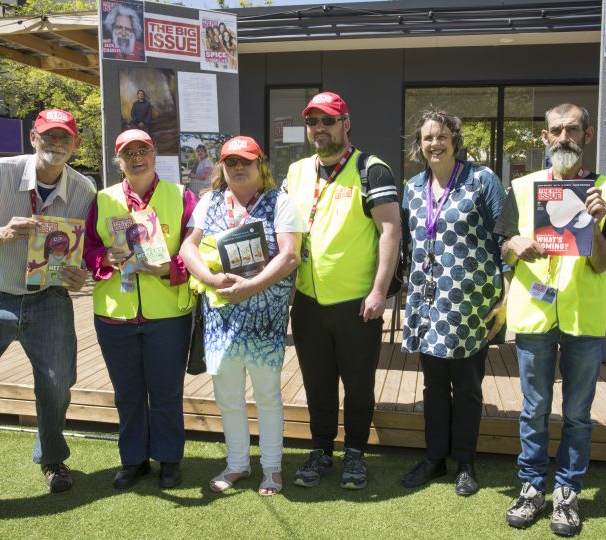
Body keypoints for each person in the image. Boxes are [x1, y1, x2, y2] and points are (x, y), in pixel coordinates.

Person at [0, 109, 96, 535]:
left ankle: (51, 457)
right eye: (49, 135)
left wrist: (83, 275)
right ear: (33, 137)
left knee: (58, 380)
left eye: (65, 137)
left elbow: (82, 255)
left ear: (76, 144)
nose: (56, 143)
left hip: (49, 299)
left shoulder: (84, 188)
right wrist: (0, 233)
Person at [494, 103, 606, 536]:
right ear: (544, 138)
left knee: (576, 412)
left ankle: (567, 493)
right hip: (534, 315)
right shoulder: (522, 187)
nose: (564, 136)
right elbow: (504, 246)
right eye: (556, 130)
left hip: (583, 319)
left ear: (588, 136)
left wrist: (597, 223)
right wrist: (516, 242)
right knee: (533, 410)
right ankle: (531, 487)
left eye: (573, 129)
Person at [283, 91, 401, 490]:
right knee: (317, 382)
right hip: (309, 301)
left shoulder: (371, 168)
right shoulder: (296, 171)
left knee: (358, 383)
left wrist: (379, 291)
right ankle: (320, 451)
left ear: (345, 123)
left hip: (357, 303)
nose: (320, 128)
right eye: (313, 121)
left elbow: (390, 231)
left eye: (328, 120)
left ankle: (355, 453)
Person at [180, 136, 304, 496]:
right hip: (221, 318)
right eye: (231, 162)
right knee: (228, 397)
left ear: (259, 164)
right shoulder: (210, 201)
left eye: (245, 161)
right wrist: (209, 278)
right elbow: (189, 246)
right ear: (222, 166)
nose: (238, 167)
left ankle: (271, 468)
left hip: (264, 317)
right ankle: (237, 464)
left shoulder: (280, 203)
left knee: (267, 395)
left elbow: (290, 255)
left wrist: (251, 287)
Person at [398, 111, 511, 497]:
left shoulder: (481, 180)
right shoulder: (412, 187)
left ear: (455, 139)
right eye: (427, 137)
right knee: (432, 385)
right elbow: (407, 244)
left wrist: (507, 295)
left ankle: (465, 462)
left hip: (470, 302)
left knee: (466, 386)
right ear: (419, 143)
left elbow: (504, 237)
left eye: (442, 136)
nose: (435, 143)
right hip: (427, 302)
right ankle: (434, 459)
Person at [83, 129, 197, 491]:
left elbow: (199, 249)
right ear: (118, 160)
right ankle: (133, 459)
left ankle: (169, 459)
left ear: (154, 153)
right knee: (127, 392)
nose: (137, 157)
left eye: (143, 150)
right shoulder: (102, 199)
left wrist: (171, 268)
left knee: (166, 391)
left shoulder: (181, 195)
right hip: (115, 314)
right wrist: (105, 257)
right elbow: (87, 250)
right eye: (128, 152)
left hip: (168, 315)